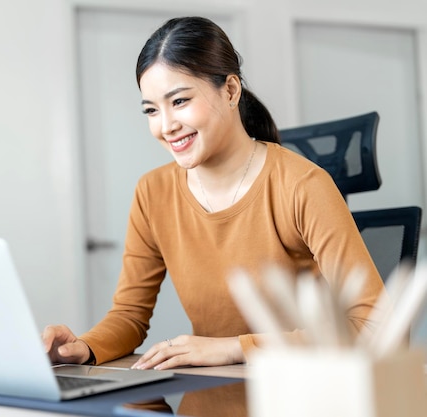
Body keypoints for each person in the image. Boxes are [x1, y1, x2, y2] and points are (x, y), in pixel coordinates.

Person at [42, 16, 384, 370]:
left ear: (231, 90)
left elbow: (373, 325)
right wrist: (82, 347)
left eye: (179, 101)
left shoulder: (302, 185)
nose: (166, 126)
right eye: (151, 110)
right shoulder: (152, 191)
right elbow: (129, 315)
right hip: (206, 396)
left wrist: (236, 348)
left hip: (296, 393)